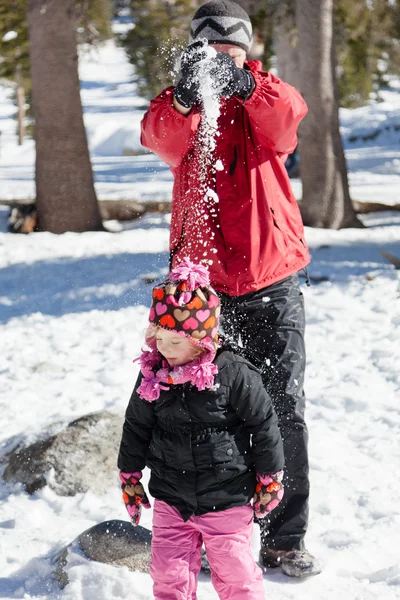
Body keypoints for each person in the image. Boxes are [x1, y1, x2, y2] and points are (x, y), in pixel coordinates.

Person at [140, 0, 320, 578]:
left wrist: (244, 84)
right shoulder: (179, 102)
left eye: (231, 50)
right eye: (209, 49)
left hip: (270, 278)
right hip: (201, 292)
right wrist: (190, 97)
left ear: (246, 51)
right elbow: (161, 141)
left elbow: (287, 121)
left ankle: (284, 537)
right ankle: (205, 531)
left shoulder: (264, 91)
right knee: (199, 408)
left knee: (282, 408)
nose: (219, 59)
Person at [118, 258, 285, 600]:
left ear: (202, 341)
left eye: (175, 342)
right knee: (168, 576)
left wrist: (269, 477)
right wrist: (130, 475)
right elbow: (137, 425)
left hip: (226, 497)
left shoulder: (234, 372)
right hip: (171, 497)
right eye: (158, 339)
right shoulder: (153, 374)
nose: (164, 349)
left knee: (236, 574)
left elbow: (263, 423)